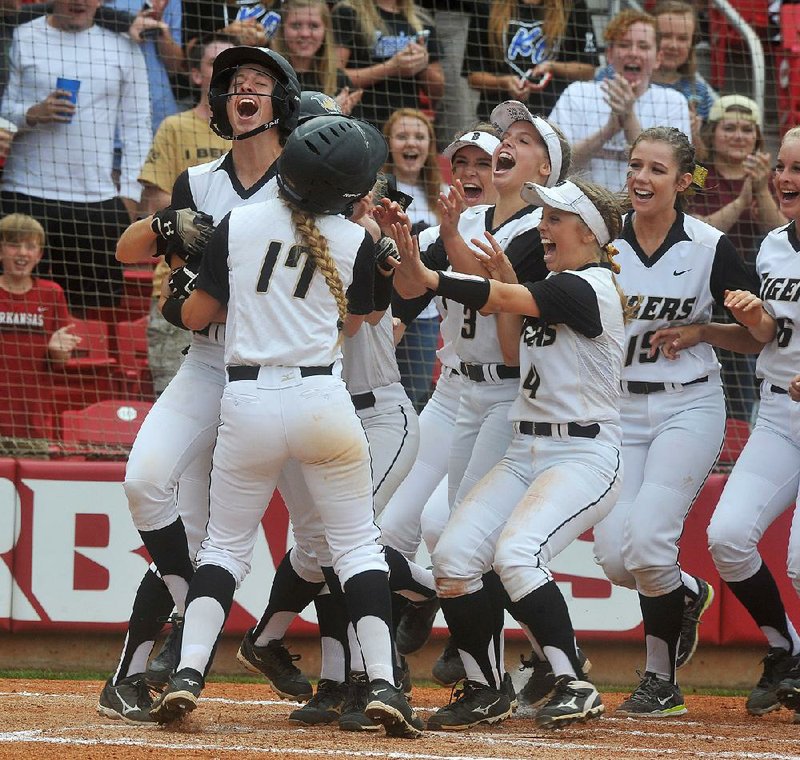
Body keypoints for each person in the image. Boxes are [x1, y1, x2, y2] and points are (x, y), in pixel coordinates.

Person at [148, 113, 424, 740]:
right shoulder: (358, 242)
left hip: (245, 400)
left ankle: (188, 673)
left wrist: (176, 282)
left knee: (224, 546)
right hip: (324, 400)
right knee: (354, 546)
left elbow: (192, 313)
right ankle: (381, 681)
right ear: (346, 190)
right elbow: (358, 324)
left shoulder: (238, 223)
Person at [97, 45, 301, 725]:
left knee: (261, 537)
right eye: (234, 84)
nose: (245, 90)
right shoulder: (196, 179)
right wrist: (162, 223)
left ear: (282, 101)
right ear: (218, 104)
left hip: (278, 377)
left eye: (259, 83)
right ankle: (191, 619)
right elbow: (126, 250)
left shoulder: (304, 183)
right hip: (207, 362)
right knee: (144, 482)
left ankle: (346, 673)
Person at [391, 176, 627, 730]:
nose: (544, 227)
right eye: (542, 218)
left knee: (517, 554)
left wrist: (435, 277)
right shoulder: (555, 284)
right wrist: (505, 285)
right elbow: (507, 349)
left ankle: (574, 681)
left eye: (557, 219)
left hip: (583, 455)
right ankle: (484, 689)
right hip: (527, 449)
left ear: (589, 233)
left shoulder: (588, 285)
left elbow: (500, 297)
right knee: (452, 559)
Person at [591, 126, 757, 717]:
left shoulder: (711, 247)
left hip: (688, 403)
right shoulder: (604, 245)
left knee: (650, 543)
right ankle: (687, 594)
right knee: (614, 557)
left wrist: (703, 330)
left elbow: (758, 336)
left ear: (684, 181)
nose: (641, 178)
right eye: (636, 165)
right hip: (620, 410)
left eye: (657, 169)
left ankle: (660, 679)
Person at [698, 127, 800, 719]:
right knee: (727, 537)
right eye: (781, 167)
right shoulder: (773, 247)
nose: (784, 180)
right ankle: (786, 648)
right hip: (779, 413)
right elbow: (769, 337)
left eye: (797, 169)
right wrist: (735, 321)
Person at [0, 0, 151, 314]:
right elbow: (3, 113)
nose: (79, 1)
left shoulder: (124, 45)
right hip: (25, 193)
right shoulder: (22, 36)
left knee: (94, 313)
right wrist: (31, 114)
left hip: (96, 202)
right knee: (18, 307)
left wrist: (129, 194)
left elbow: (138, 125)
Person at [137, 33, 235, 396]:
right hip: (177, 290)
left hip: (239, 300)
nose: (225, 72)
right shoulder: (174, 128)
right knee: (175, 407)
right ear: (195, 75)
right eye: (214, 63)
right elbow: (161, 211)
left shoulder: (259, 137)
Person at [690, 94, 786, 422]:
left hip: (752, 289)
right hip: (703, 283)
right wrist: (743, 198)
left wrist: (760, 189)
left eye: (747, 129)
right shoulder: (700, 173)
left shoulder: (771, 174)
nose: (738, 136)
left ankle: (739, 433)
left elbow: (784, 232)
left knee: (745, 373)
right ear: (712, 133)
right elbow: (698, 227)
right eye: (729, 127)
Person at [548, 9, 690, 191]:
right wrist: (608, 130)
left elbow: (673, 173)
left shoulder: (673, 102)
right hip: (579, 205)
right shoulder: (577, 93)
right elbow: (555, 165)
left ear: (658, 58)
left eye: (643, 46)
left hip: (640, 210)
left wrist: (628, 116)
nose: (633, 53)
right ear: (609, 54)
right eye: (624, 45)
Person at [382, 107, 444, 411]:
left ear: (429, 146)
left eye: (420, 137)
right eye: (402, 136)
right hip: (382, 309)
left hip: (425, 315)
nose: (411, 143)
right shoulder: (378, 188)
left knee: (414, 396)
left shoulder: (440, 194)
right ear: (389, 143)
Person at [596, 1, 716, 154]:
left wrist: (695, 137)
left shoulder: (699, 92)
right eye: (666, 36)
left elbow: (701, 173)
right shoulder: (609, 76)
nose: (674, 45)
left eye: (683, 38)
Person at [0, 212, 79, 443]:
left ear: (39, 254)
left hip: (33, 420)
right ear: (1, 250)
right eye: (14, 245)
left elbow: (60, 361)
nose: (22, 252)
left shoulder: (52, 293)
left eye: (30, 246)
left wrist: (57, 351)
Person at [464, 0, 599, 123]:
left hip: (554, 119)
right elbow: (474, 76)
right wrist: (504, 82)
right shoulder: (487, 5)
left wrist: (552, 67)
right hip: (498, 118)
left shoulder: (572, 5)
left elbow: (588, 70)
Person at [331, 0, 444, 128]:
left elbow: (438, 92)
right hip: (359, 121)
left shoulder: (422, 18)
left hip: (404, 125)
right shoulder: (348, 11)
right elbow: (332, 77)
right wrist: (390, 68)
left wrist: (421, 64)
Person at [270, 0, 363, 115]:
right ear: (283, 29)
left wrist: (342, 120)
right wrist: (330, 112)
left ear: (325, 30)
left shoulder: (339, 80)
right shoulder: (267, 77)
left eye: (314, 26)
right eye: (296, 25)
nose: (305, 33)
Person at [111, 0, 184, 132]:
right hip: (111, 113)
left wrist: (159, 25)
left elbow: (175, 66)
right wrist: (128, 23)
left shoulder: (170, 2)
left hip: (159, 112)